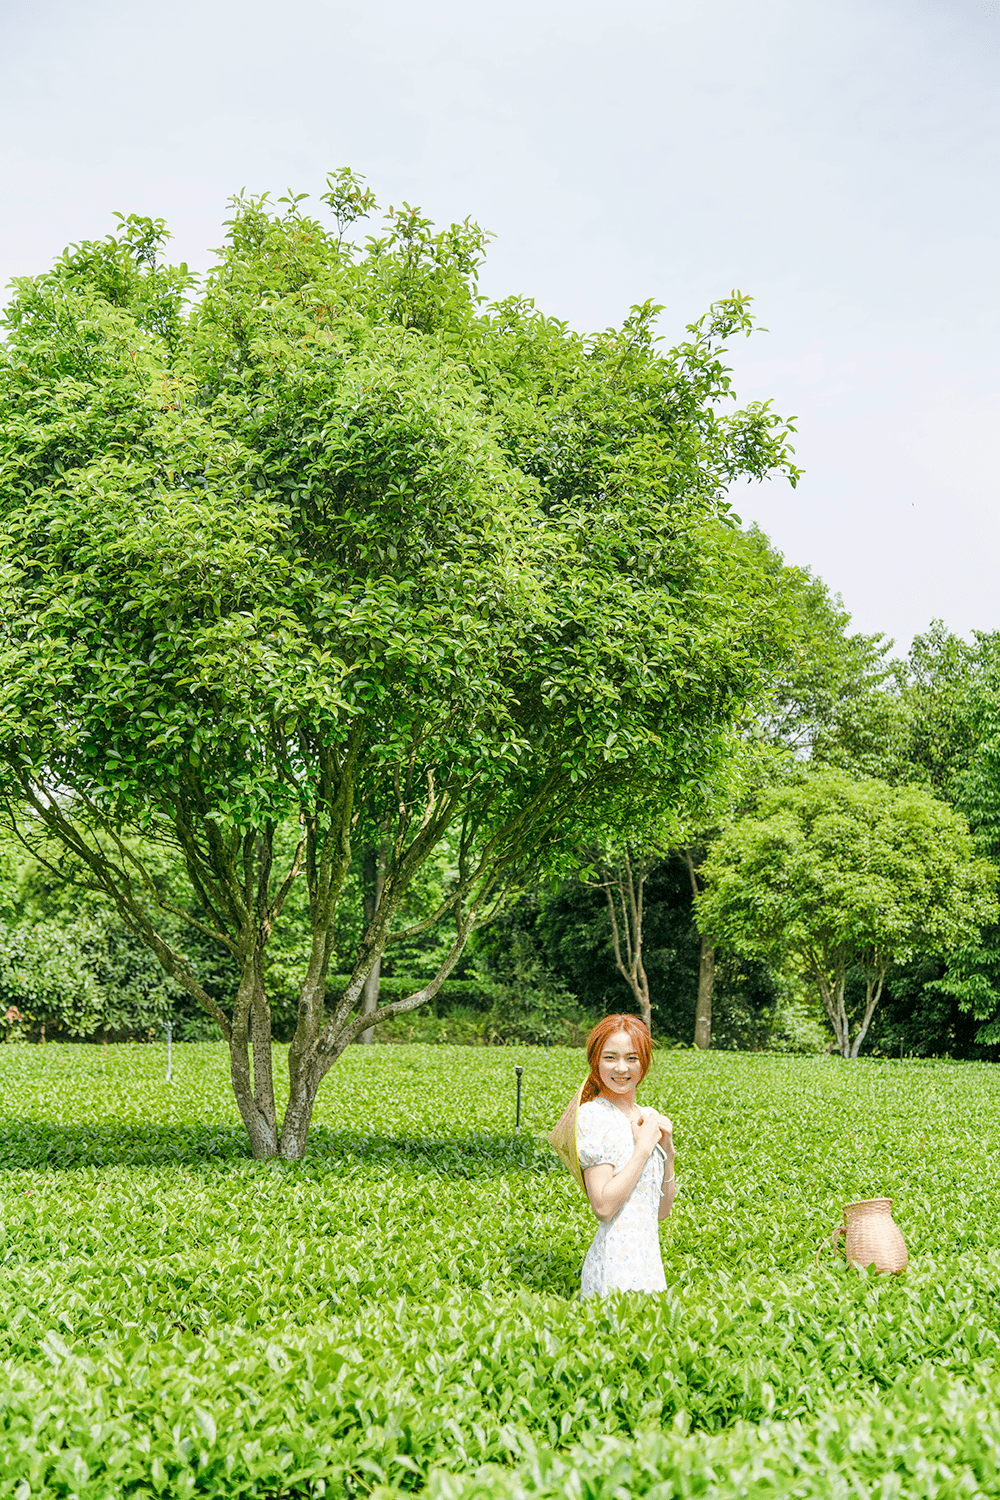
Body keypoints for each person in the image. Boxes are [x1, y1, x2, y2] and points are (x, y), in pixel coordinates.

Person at [575, 1013, 675, 1297]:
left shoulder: (649, 1116)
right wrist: (644, 1149)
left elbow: (662, 1212)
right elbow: (603, 1208)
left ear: (644, 1062)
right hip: (613, 1268)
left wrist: (668, 1152)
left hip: (650, 1265)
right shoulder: (593, 1117)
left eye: (632, 1058)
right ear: (595, 1061)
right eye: (610, 1057)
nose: (621, 1068)